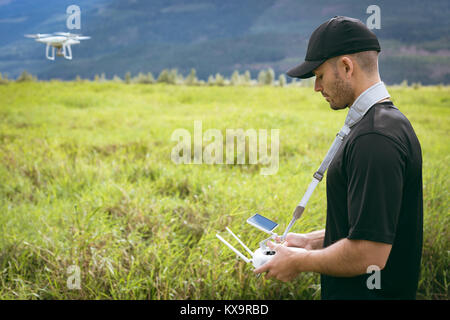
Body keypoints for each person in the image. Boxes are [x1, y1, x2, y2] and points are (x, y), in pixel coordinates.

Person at [253, 16, 423, 300]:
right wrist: (309, 242)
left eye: (319, 75)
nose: (316, 87)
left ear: (346, 66)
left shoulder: (375, 139)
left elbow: (370, 253)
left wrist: (298, 261)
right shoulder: (387, 124)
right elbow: (374, 225)